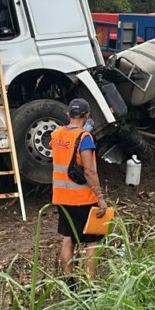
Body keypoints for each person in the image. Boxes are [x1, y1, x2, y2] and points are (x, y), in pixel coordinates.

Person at [50, 98, 109, 282]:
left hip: (61, 196)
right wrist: (100, 197)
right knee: (92, 241)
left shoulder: (56, 135)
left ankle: (69, 283)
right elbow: (89, 171)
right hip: (82, 197)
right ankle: (90, 285)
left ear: (68, 114)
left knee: (68, 238)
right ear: (87, 115)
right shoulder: (85, 138)